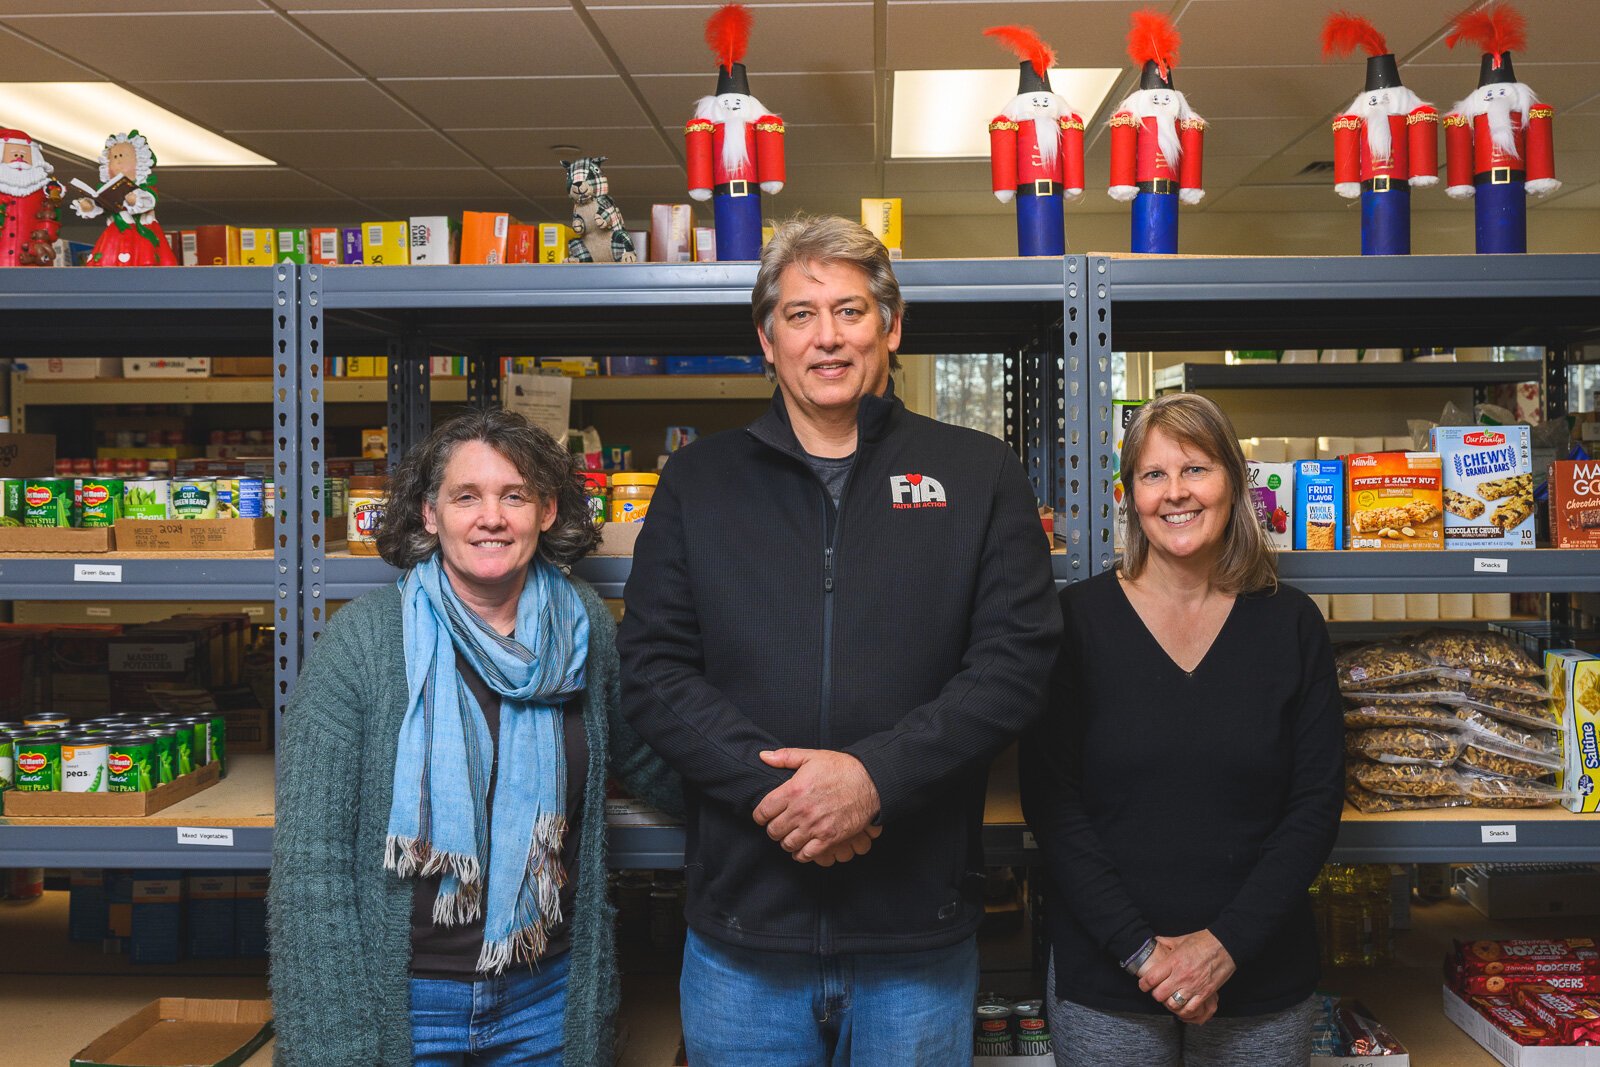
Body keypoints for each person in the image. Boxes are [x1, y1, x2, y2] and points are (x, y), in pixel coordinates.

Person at [617, 214, 1060, 1064]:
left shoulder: (978, 473)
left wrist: (872, 780)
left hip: (916, 935)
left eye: (850, 311)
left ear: (891, 328)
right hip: (744, 936)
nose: (827, 336)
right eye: (800, 314)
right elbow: (653, 670)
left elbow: (1015, 665)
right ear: (767, 339)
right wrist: (791, 795)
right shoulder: (699, 481)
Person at [270, 408, 679, 1066]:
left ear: (547, 511)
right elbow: (312, 866)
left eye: (515, 495)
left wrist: (767, 794)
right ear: (430, 514)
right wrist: (334, 1045)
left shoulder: (583, 629)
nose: (492, 517)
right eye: (466, 496)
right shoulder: (364, 643)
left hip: (548, 999)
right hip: (407, 1006)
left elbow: (649, 756)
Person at [1020, 392, 1344, 1066]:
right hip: (1107, 977)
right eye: (1154, 474)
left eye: (1196, 468)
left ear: (1234, 481)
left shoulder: (1291, 624)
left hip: (1259, 974)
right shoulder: (1076, 622)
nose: (1176, 492)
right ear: (1129, 495)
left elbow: (1315, 805)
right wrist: (1143, 953)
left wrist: (1223, 947)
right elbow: (1052, 803)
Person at [70, 131, 179, 267]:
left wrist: (135, 200)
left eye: (122, 156)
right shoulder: (106, 189)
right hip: (116, 233)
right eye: (114, 157)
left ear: (140, 161)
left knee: (145, 262)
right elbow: (103, 205)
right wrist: (90, 206)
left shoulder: (145, 188)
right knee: (107, 264)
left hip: (141, 233)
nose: (118, 161)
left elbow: (149, 201)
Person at [0, 129, 62, 267]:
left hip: (34, 264)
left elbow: (52, 226)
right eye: (14, 154)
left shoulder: (44, 190)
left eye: (23, 155)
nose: (19, 159)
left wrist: (44, 237)